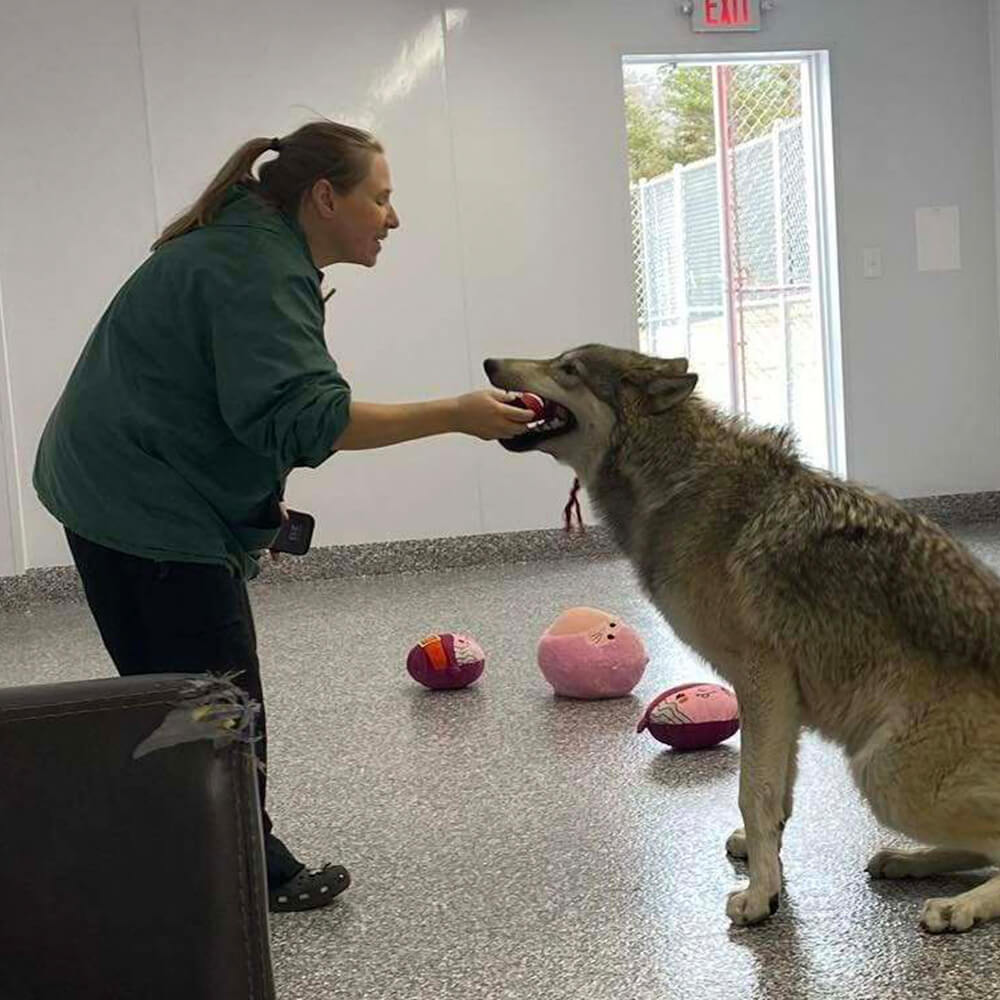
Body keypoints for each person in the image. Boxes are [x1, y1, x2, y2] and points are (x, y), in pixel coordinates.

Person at [33, 120, 534, 913]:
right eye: (381, 197)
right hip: (143, 503)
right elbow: (307, 419)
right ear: (324, 196)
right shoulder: (257, 267)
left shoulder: (246, 244)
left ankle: (196, 852)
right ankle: (236, 876)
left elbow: (232, 405)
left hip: (106, 485)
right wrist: (458, 413)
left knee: (176, 689)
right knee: (217, 700)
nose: (393, 218)